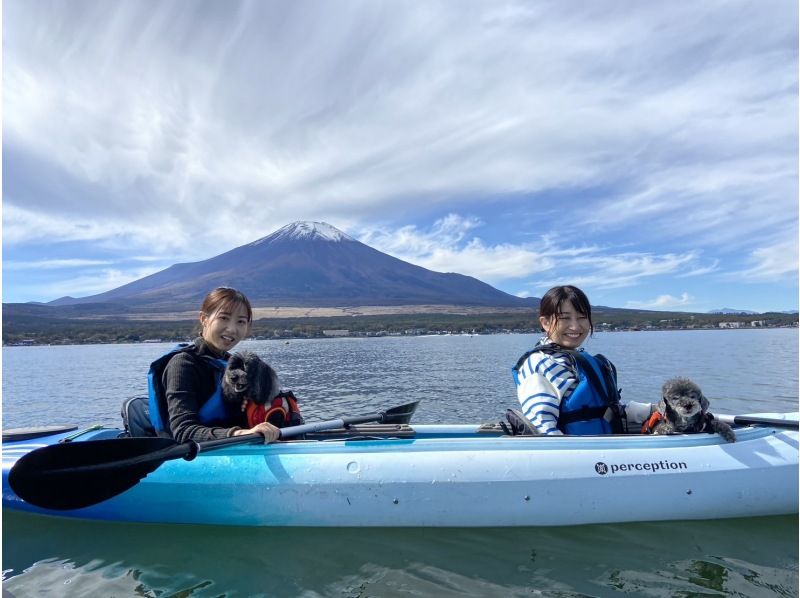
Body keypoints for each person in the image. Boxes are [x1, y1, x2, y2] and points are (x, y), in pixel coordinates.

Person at [511, 285, 653, 435]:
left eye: (582, 317)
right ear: (545, 323)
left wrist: (653, 410)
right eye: (565, 318)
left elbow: (608, 409)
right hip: (579, 454)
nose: (575, 326)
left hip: (604, 449)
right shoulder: (539, 364)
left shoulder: (575, 360)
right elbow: (543, 429)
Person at [147, 287, 280, 443]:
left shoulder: (235, 366)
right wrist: (239, 434)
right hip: (195, 455)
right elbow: (183, 431)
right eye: (224, 318)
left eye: (241, 322)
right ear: (204, 319)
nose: (232, 329)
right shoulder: (182, 364)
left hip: (235, 447)